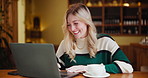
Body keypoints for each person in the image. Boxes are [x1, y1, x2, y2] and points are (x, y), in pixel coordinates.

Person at [56, 3, 133, 73]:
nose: (72, 28)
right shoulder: (65, 43)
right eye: (69, 25)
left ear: (87, 22)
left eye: (76, 23)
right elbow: (56, 66)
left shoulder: (105, 41)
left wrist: (88, 68)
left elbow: (127, 67)